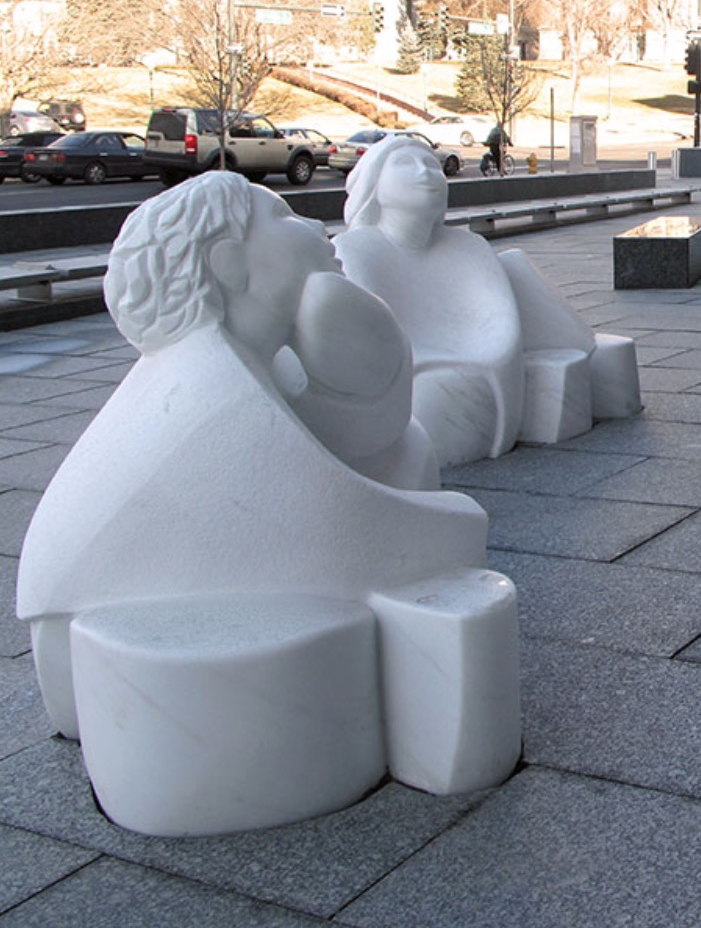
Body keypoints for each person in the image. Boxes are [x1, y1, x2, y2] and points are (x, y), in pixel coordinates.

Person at [17, 172, 484, 737]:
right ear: (229, 262)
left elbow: (380, 450)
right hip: (77, 629)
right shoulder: (214, 401)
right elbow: (365, 531)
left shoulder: (248, 366)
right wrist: (459, 517)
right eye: (285, 216)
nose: (316, 224)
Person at [335, 135, 638, 466]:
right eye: (405, 164)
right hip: (417, 367)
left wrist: (483, 357)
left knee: (513, 269)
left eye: (432, 165)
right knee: (440, 392)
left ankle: (583, 359)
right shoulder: (355, 250)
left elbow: (497, 322)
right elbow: (381, 331)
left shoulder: (467, 246)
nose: (425, 173)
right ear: (373, 186)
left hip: (481, 355)